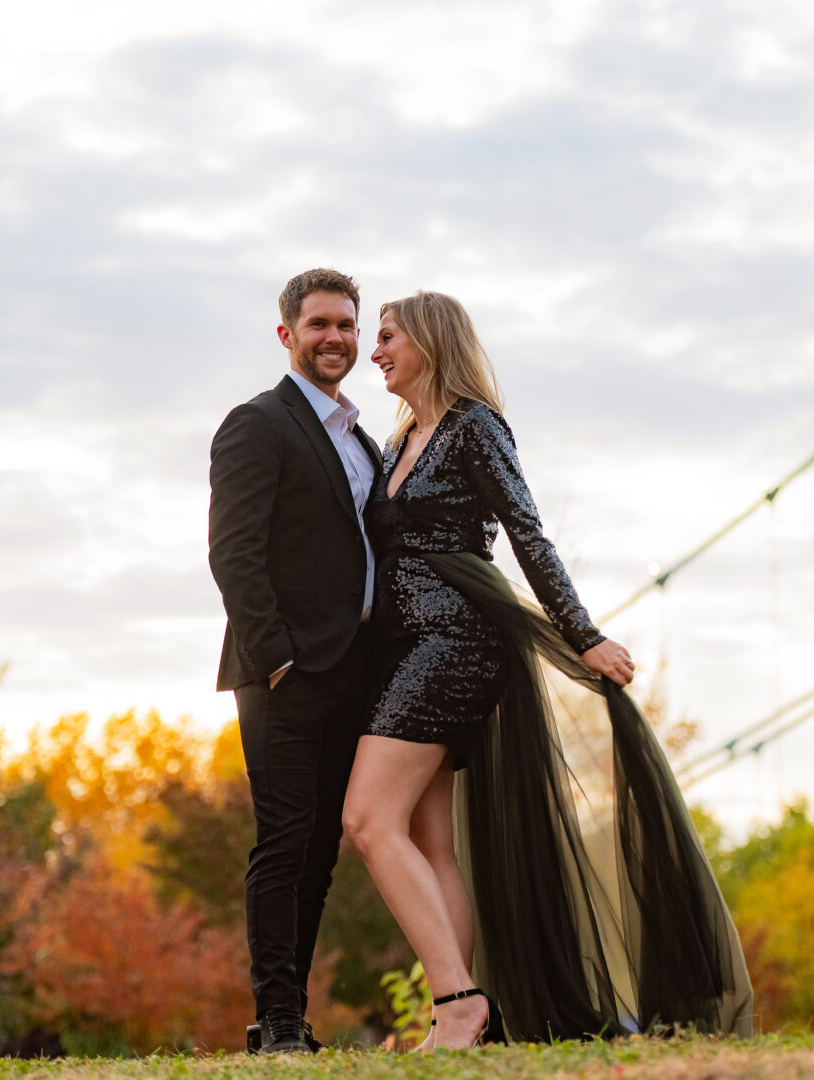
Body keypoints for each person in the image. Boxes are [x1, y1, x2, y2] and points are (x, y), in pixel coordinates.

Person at [341, 290, 753, 1050]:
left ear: (429, 341)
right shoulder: (398, 440)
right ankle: (456, 1018)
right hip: (404, 649)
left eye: (388, 337)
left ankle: (460, 1002)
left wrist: (584, 634)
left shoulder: (475, 426)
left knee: (367, 819)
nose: (375, 352)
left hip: (456, 643)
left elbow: (528, 533)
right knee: (431, 841)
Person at [207, 268, 381, 1054]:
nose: (335, 338)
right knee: (282, 843)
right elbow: (232, 553)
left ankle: (293, 1014)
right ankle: (276, 1020)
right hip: (282, 674)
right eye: (319, 325)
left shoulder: (361, 439)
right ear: (287, 335)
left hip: (354, 672)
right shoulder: (257, 424)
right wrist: (276, 657)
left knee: (320, 851)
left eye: (347, 324)